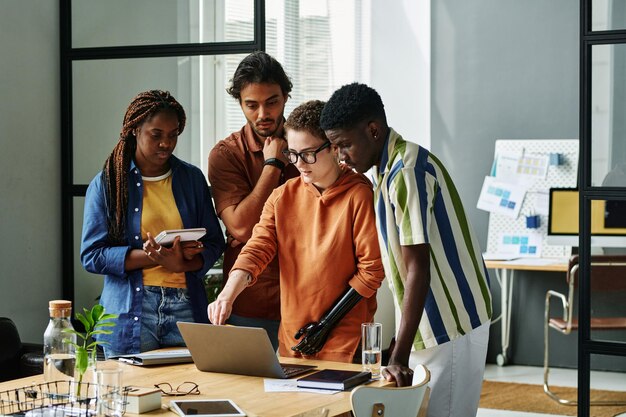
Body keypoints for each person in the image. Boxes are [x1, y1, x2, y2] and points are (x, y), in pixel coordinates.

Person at [320, 83, 492, 416]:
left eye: (344, 145)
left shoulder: (406, 171)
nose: (341, 157)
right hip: (433, 319)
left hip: (451, 320)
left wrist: (397, 353)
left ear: (373, 130)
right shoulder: (386, 171)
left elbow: (418, 268)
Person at [208, 100, 385, 362]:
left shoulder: (359, 194)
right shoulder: (282, 197)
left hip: (346, 342)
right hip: (293, 340)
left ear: (334, 148)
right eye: (292, 154)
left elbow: (371, 271)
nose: (299, 163)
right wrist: (227, 295)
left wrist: (326, 325)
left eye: (308, 154)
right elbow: (257, 249)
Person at [81, 90, 225, 357]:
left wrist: (181, 263)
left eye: (173, 135)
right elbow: (92, 255)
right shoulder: (108, 184)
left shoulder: (191, 179)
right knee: (132, 395)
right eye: (156, 134)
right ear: (135, 130)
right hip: (131, 311)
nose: (166, 143)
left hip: (186, 307)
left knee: (193, 390)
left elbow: (215, 242)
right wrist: (155, 257)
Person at [208, 51, 300, 350]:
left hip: (309, 299)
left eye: (271, 102)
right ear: (240, 103)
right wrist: (272, 165)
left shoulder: (311, 146)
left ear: (286, 97)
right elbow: (242, 229)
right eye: (252, 105)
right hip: (252, 302)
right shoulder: (226, 154)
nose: (263, 114)